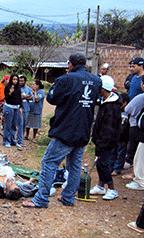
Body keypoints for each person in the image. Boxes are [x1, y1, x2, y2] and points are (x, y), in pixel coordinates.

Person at [23, 54, 101, 208]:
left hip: (66, 130)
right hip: (84, 130)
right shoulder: (96, 80)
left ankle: (41, 199)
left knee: (49, 162)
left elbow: (52, 98)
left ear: (70, 64)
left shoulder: (66, 79)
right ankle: (68, 198)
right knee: (75, 166)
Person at [90, 75, 121, 200]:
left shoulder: (112, 107)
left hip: (107, 142)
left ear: (103, 89)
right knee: (100, 164)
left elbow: (109, 129)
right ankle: (101, 186)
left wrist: (102, 144)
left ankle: (112, 189)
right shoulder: (105, 101)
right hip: (101, 140)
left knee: (104, 164)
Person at [124, 75, 144, 191]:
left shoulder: (140, 97)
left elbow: (127, 109)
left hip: (139, 130)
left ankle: (140, 181)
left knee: (139, 156)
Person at [125, 57, 144, 169]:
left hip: (139, 114)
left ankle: (133, 165)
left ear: (140, 66)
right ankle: (131, 162)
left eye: (134, 66)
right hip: (131, 112)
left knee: (136, 141)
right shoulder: (133, 78)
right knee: (129, 139)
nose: (132, 68)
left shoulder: (143, 79)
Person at [112, 93, 130, 176]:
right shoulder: (117, 111)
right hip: (115, 136)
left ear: (125, 103)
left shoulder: (127, 112)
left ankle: (117, 168)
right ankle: (113, 167)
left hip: (123, 137)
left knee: (120, 153)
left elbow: (125, 127)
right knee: (114, 152)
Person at [2, 74, 22, 149]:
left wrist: (20, 106)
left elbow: (19, 98)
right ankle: (6, 141)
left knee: (14, 125)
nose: (15, 81)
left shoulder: (18, 88)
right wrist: (10, 92)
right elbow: (6, 97)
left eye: (16, 79)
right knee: (8, 124)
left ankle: (12, 140)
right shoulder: (7, 87)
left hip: (16, 108)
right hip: (9, 107)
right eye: (14, 79)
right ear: (11, 80)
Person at [19, 75, 32, 145]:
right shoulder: (16, 88)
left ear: (25, 81)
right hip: (17, 109)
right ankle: (15, 138)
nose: (20, 82)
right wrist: (25, 96)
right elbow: (18, 97)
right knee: (16, 124)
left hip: (26, 109)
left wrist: (24, 97)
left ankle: (21, 139)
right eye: (20, 81)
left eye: (22, 81)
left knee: (23, 124)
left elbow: (31, 97)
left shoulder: (28, 89)